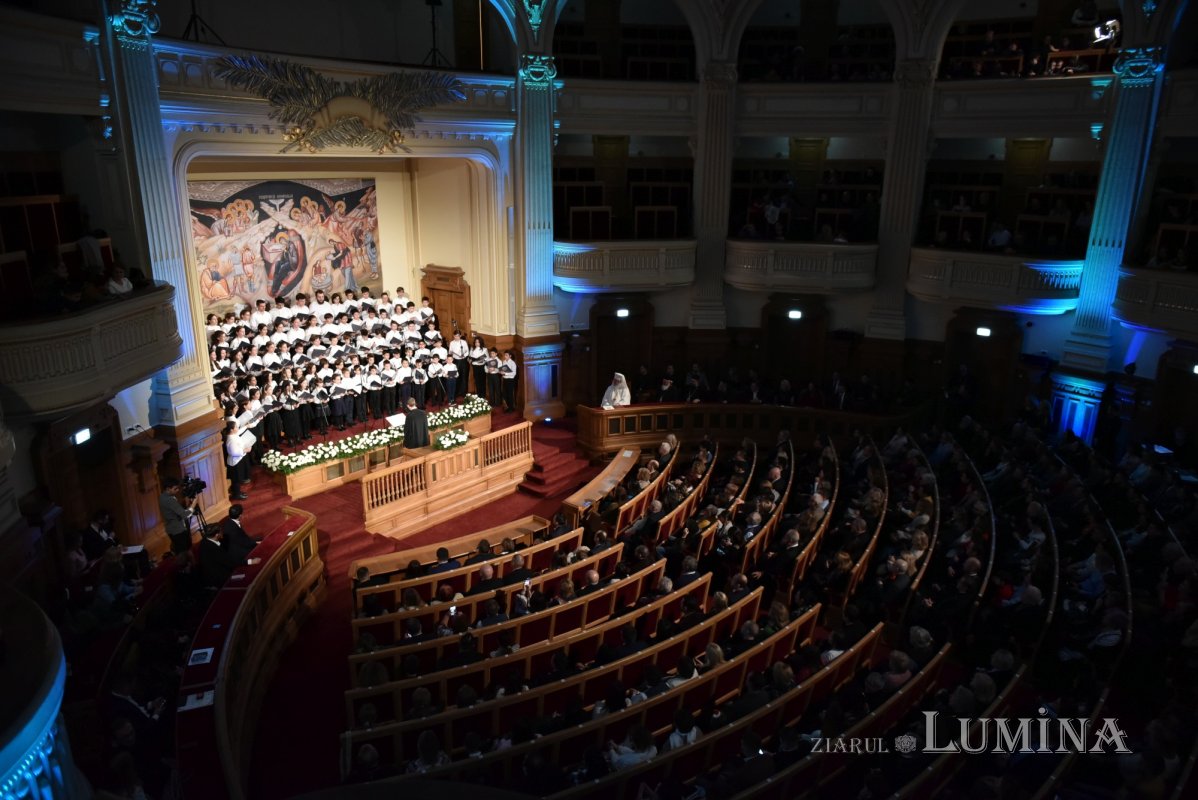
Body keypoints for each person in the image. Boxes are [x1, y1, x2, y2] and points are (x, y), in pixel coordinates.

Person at [159, 477, 196, 554]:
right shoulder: (169, 500)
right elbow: (185, 515)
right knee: (184, 552)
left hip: (172, 529)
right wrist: (194, 504)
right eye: (175, 489)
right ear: (168, 489)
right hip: (178, 531)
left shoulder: (162, 496)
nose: (178, 490)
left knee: (182, 551)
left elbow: (175, 510)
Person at [225, 420, 251, 500]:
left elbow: (238, 432)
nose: (237, 428)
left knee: (237, 479)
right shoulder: (231, 440)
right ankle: (237, 495)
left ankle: (237, 492)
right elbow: (234, 452)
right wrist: (245, 450)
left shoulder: (233, 435)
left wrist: (246, 426)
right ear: (231, 429)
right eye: (236, 427)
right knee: (236, 480)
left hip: (237, 460)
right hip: (235, 462)